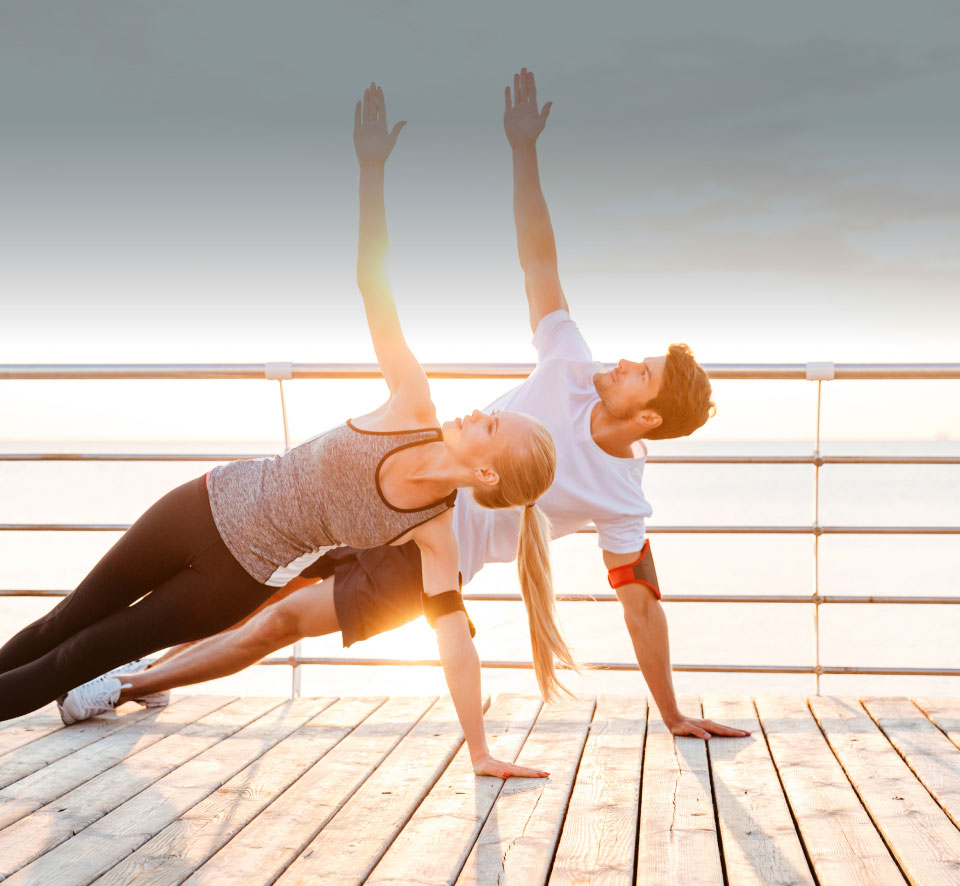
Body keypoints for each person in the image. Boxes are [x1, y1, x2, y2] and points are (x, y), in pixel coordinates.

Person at [62, 69, 749, 750]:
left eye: (643, 373)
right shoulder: (572, 361)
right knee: (257, 587)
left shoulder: (623, 497)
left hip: (425, 563)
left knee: (280, 624)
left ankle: (119, 687)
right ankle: (146, 671)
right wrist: (522, 148)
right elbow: (539, 258)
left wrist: (673, 714)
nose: (625, 363)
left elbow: (640, 609)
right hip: (389, 491)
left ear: (649, 417)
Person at [0, 85, 570, 779]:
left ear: (488, 474)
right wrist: (371, 169)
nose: (479, 410)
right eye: (492, 408)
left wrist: (480, 750)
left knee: (79, 655)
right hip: (201, 503)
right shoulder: (413, 399)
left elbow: (454, 640)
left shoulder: (434, 531)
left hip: (229, 580)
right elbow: (373, 284)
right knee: (64, 622)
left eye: (492, 425)